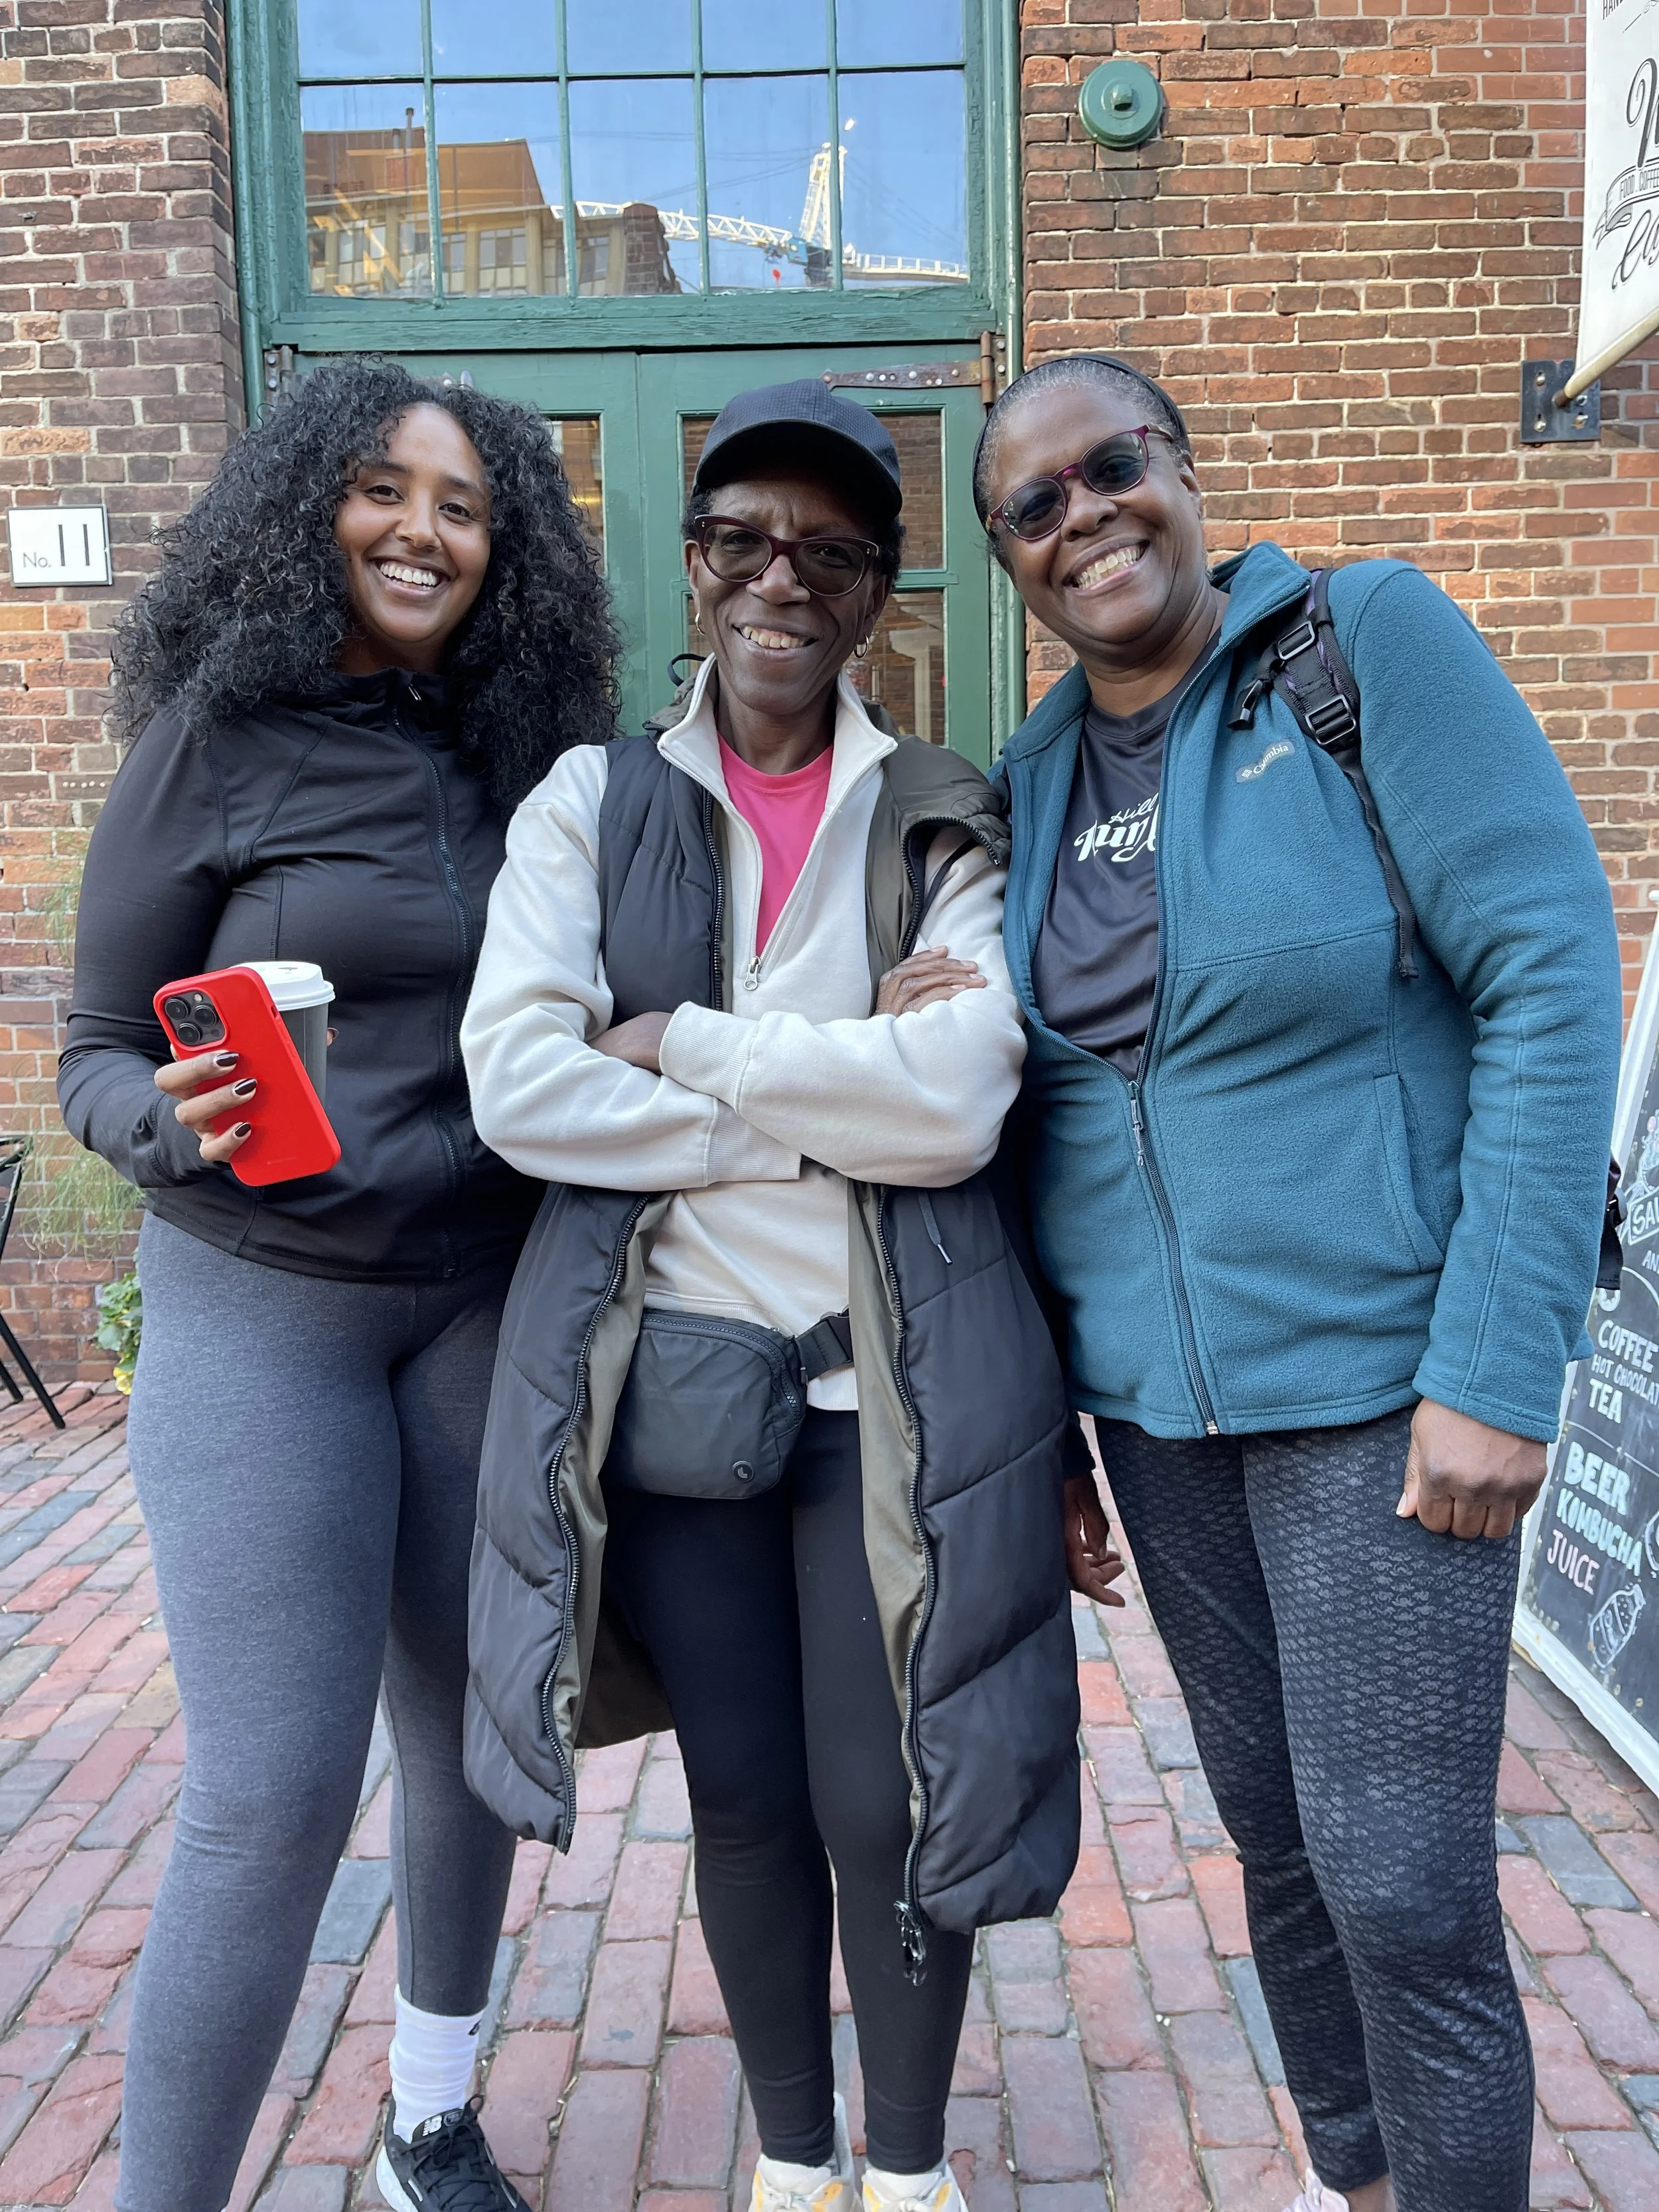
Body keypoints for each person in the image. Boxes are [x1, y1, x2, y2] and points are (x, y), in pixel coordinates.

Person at [977, 354, 1622, 2212]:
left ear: (1182, 473)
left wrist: (1501, 1360)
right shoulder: (1028, 781)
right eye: (1035, 502)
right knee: (1273, 1842)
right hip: (1160, 1417)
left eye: (1114, 466)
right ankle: (1361, 2179)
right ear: (1011, 556)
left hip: (1382, 1383)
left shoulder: (1359, 648)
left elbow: (1547, 968)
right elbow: (1033, 1126)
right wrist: (1049, 1427)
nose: (1083, 512)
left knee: (1400, 1875)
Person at [459, 382, 1101, 2212]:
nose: (780, 575)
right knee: (740, 1797)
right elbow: (521, 1087)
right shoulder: (591, 801)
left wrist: (694, 1049)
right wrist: (823, 1105)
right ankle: (795, 2156)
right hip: (671, 1391)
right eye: (743, 534)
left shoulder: (938, 809)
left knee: (886, 1798)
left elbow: (966, 1093)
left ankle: (904, 2172)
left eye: (828, 548)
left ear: (879, 587)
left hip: (881, 1392)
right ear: (693, 559)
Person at [58, 358, 616, 2212]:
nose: (422, 530)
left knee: (469, 1728)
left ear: (506, 550)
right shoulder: (217, 736)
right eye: (384, 490)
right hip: (260, 1302)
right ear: (312, 509)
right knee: (271, 1795)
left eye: (464, 507)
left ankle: (426, 2122)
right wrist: (165, 1119)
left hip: (477, 1296)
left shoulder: (520, 751)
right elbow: (85, 1048)